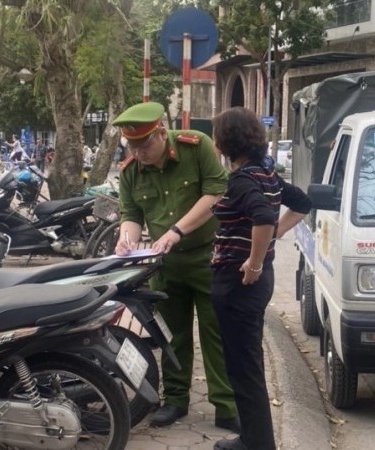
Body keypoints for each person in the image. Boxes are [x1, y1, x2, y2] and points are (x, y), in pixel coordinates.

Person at [112, 101, 240, 433]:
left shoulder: (195, 146)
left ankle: (226, 406)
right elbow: (131, 214)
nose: (139, 154)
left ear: (160, 132)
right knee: (172, 335)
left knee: (216, 332)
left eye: (144, 145)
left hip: (208, 257)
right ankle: (175, 400)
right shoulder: (129, 171)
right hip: (166, 265)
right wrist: (126, 239)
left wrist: (176, 230)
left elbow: (217, 192)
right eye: (132, 147)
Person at [209, 107, 312, 450]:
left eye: (217, 134)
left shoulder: (242, 179)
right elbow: (302, 203)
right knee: (246, 364)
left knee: (244, 367)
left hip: (241, 283)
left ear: (226, 141)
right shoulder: (265, 172)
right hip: (255, 282)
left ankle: (257, 444)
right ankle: (253, 438)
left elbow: (264, 215)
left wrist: (254, 262)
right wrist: (270, 243)